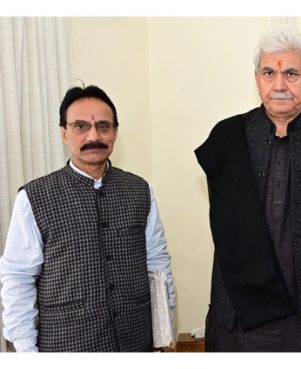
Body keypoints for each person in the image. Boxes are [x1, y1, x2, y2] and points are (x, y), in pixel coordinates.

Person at [194, 28, 301, 352]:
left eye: (291, 74)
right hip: (239, 315)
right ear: (257, 79)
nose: (279, 84)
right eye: (269, 73)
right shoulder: (227, 139)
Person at [0, 85, 176, 352]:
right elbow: (17, 277)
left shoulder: (140, 190)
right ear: (64, 133)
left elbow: (157, 265)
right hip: (66, 346)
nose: (94, 135)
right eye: (81, 126)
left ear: (116, 132)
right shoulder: (34, 197)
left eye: (103, 126)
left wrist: (164, 335)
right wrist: (26, 353)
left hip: (135, 344)